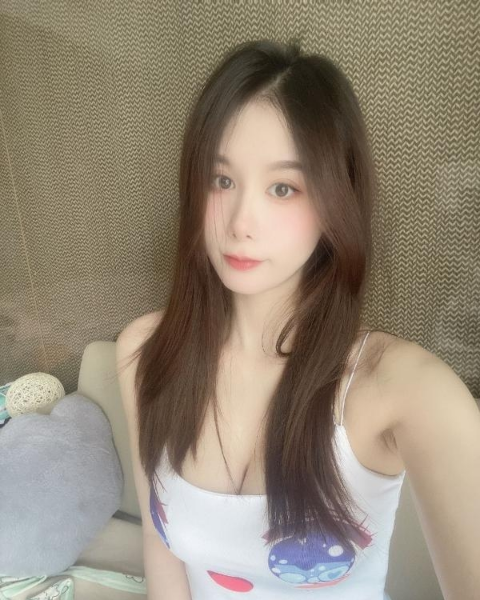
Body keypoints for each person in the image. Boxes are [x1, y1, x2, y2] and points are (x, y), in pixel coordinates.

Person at [116, 38, 480, 600]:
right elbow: (160, 554)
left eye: (283, 188)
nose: (241, 222)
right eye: (221, 180)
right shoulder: (145, 352)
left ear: (336, 202)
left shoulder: (402, 389)